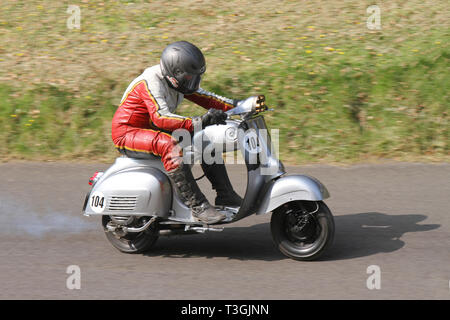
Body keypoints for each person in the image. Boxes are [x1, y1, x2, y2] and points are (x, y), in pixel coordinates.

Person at [111, 41, 243, 224]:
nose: (193, 81)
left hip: (151, 129)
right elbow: (160, 117)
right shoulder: (150, 82)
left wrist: (241, 105)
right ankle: (198, 207)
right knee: (169, 145)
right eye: (190, 77)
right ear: (175, 74)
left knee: (205, 138)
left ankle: (225, 195)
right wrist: (200, 121)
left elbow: (209, 99)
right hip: (128, 132)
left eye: (196, 76)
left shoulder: (179, 81)